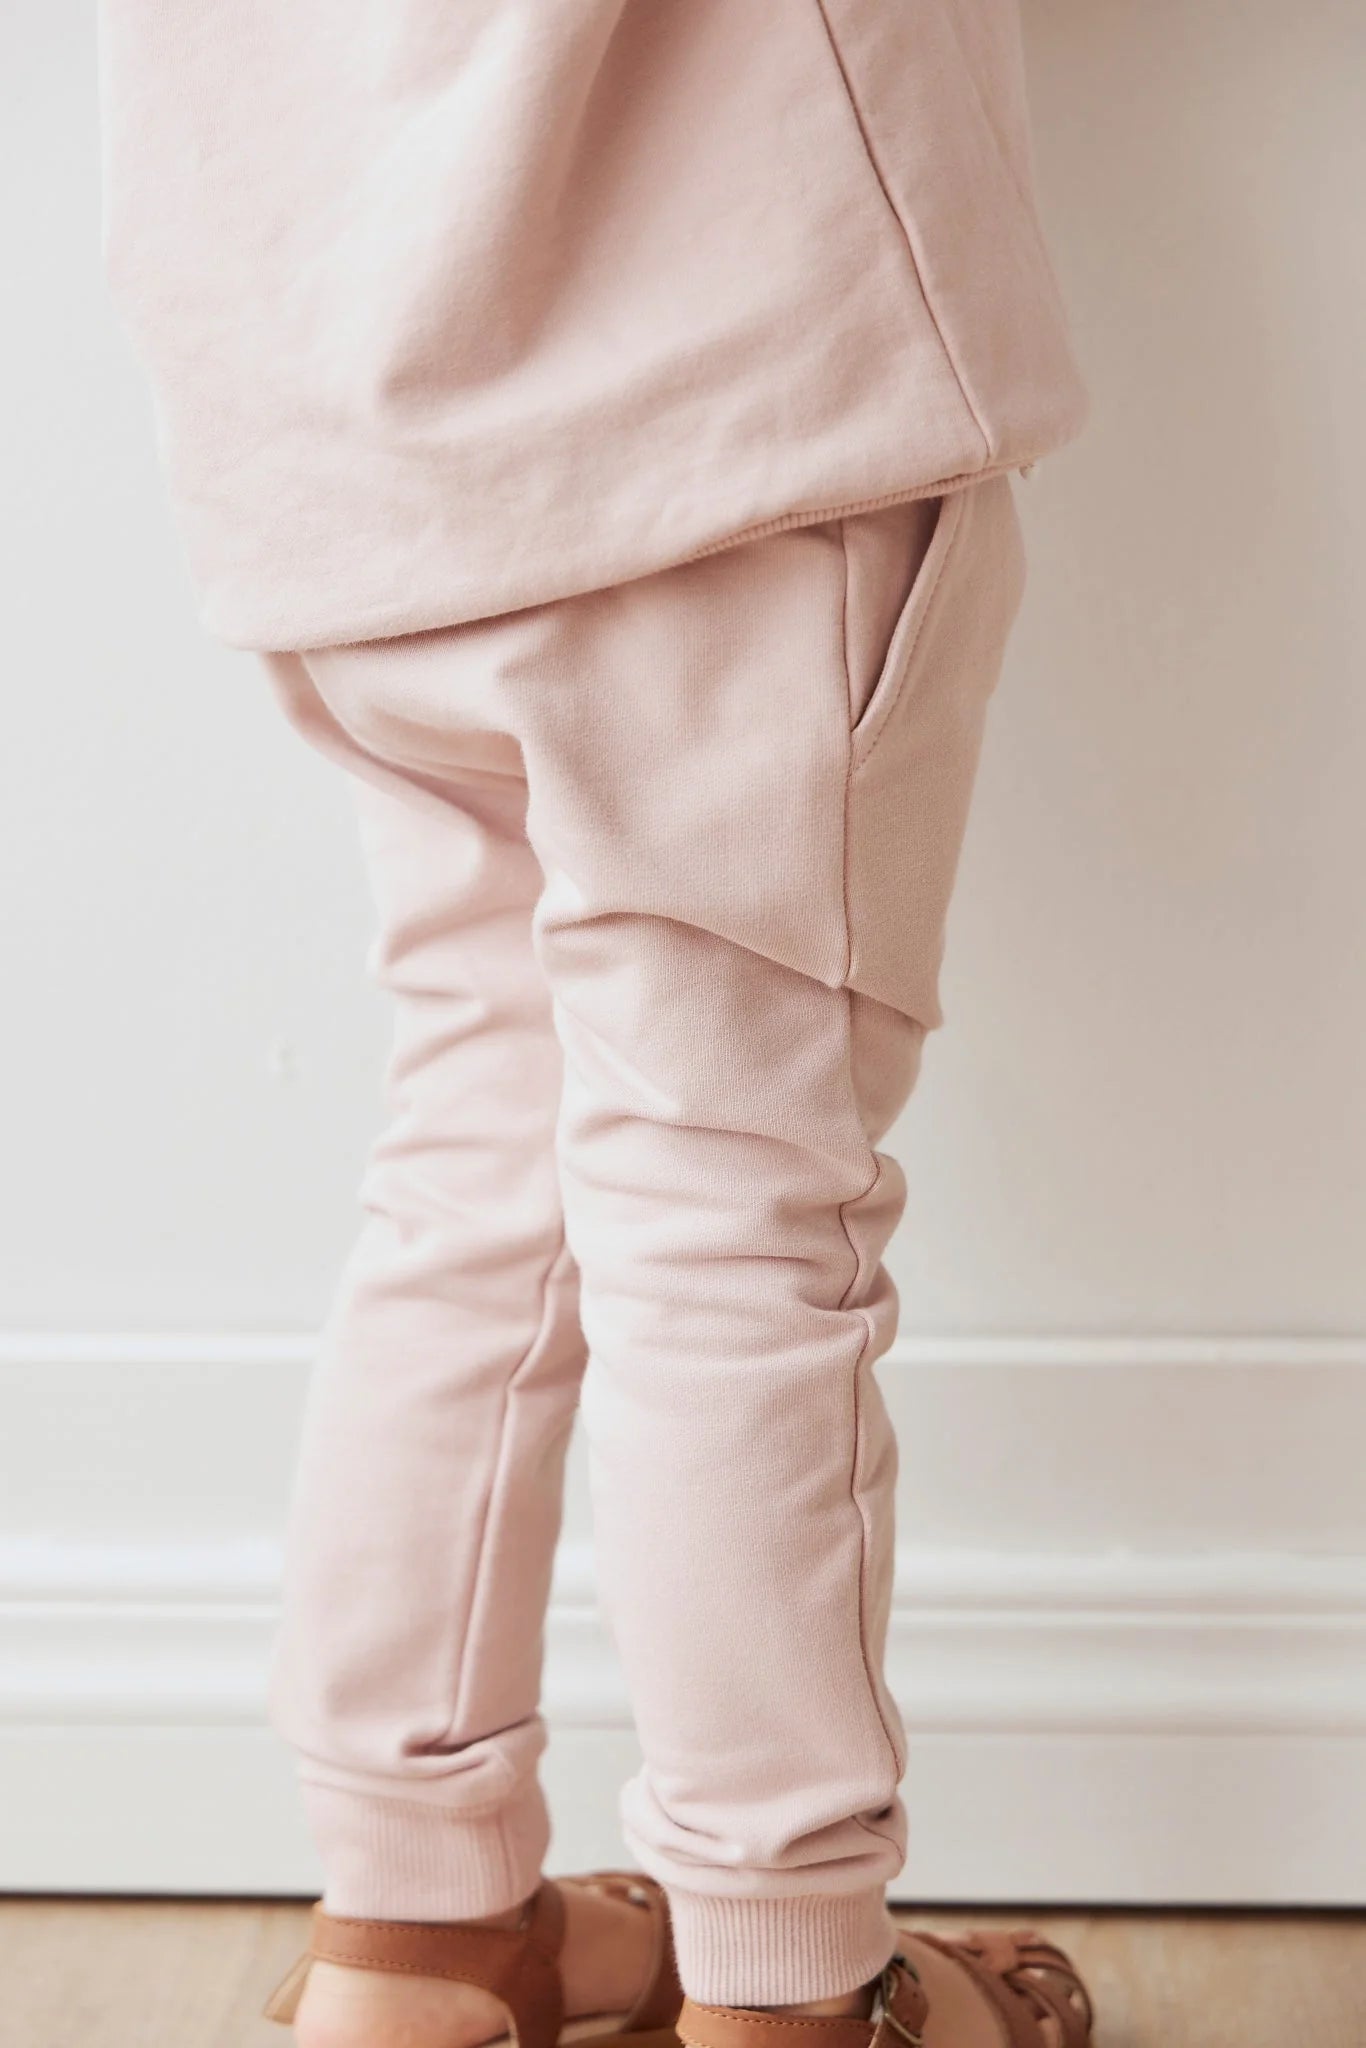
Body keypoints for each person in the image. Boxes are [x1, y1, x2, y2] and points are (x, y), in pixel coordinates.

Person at [98, 5, 1094, 2045]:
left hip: (337, 414)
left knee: (485, 1160)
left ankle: (418, 1932)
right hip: (719, 377)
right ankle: (789, 1976)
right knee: (730, 1207)